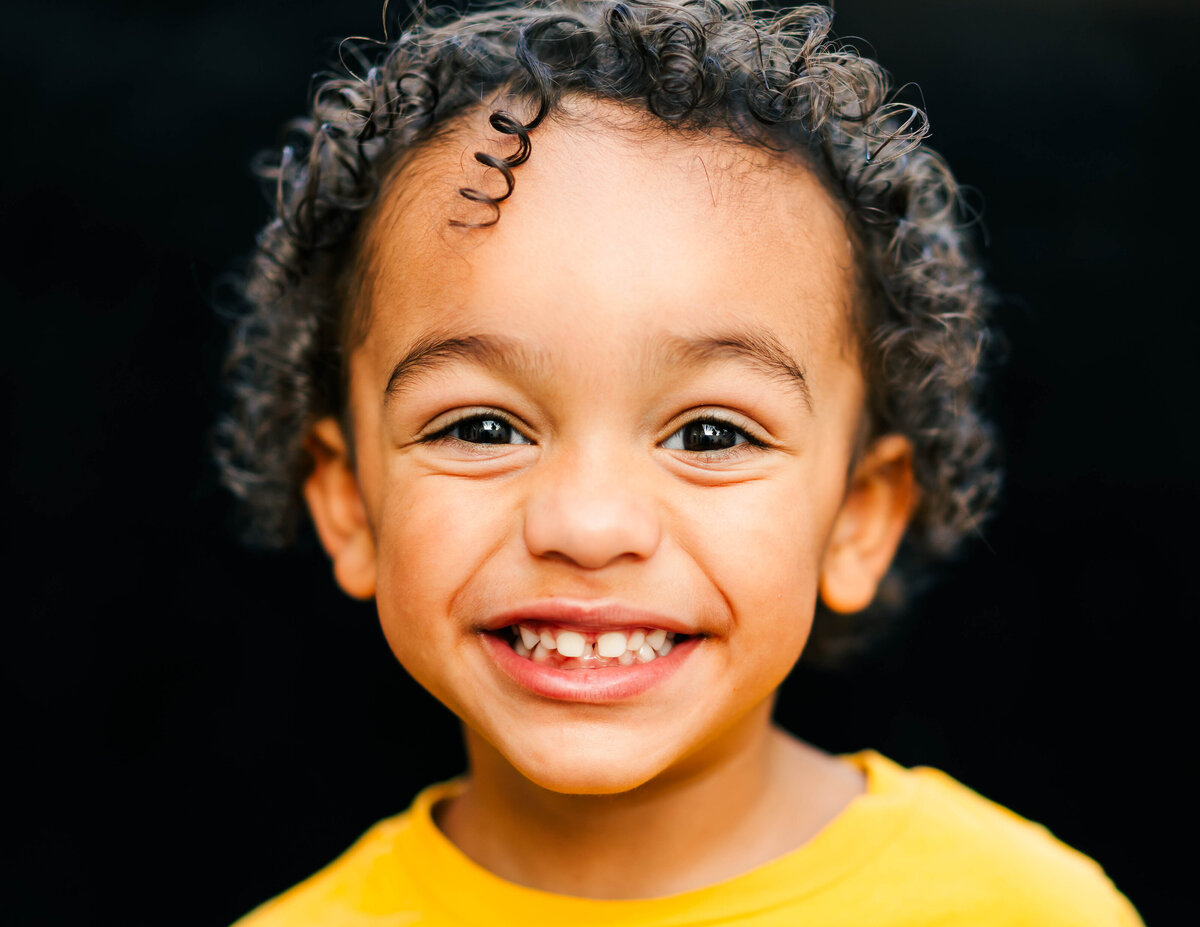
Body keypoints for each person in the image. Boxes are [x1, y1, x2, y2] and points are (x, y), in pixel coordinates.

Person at [216, 1, 1142, 923]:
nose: (588, 524)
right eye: (483, 428)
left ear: (859, 515)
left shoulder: (1020, 909)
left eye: (711, 434)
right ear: (348, 500)